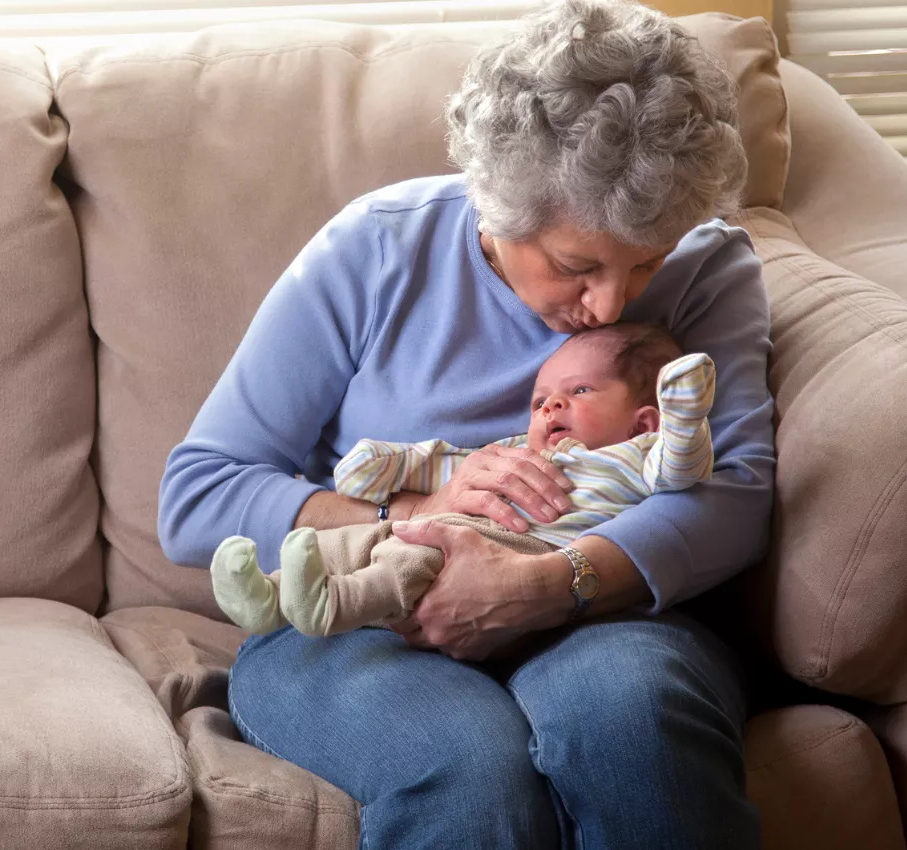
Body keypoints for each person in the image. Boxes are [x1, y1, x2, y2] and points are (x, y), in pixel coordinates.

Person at [156, 0, 775, 844]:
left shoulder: (710, 266)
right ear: (497, 205)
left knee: (635, 720)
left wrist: (542, 586)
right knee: (472, 768)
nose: (609, 305)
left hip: (601, 611)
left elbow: (735, 494)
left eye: (647, 264)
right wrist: (413, 514)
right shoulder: (375, 249)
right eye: (575, 264)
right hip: (359, 618)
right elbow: (198, 494)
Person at [211, 323, 716, 638]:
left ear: (644, 421)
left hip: (523, 551)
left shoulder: (635, 455)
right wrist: (382, 464)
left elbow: (683, 467)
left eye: (579, 390)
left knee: (418, 557)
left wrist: (684, 413)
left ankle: (333, 604)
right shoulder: (518, 450)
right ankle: (270, 595)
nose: (550, 407)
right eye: (540, 401)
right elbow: (443, 462)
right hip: (448, 524)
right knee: (361, 539)